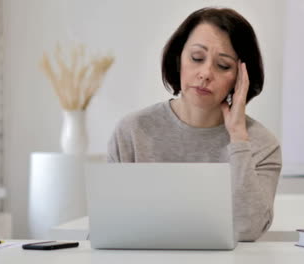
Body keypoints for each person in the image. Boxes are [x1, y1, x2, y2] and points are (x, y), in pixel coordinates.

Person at [107, 7, 282, 242]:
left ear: (240, 78)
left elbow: (247, 230)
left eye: (223, 66)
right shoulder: (132, 131)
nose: (206, 73)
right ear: (178, 58)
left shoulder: (261, 144)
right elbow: (108, 227)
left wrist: (238, 137)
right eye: (197, 58)